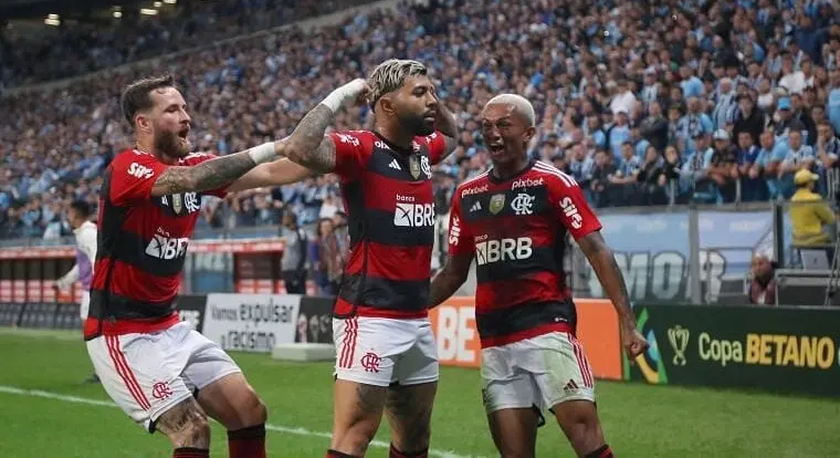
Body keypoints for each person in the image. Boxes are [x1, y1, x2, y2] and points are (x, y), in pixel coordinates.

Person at [84, 74, 312, 458]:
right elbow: (188, 179)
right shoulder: (127, 168)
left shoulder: (197, 165)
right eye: (172, 110)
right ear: (144, 123)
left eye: (185, 107)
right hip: (122, 334)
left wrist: (339, 155)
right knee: (192, 428)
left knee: (248, 411)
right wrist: (274, 145)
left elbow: (277, 172)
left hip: (169, 327)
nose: (186, 116)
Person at [429, 94, 648, 458]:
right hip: (495, 339)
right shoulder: (467, 194)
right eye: (486, 127)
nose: (493, 134)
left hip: (547, 328)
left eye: (503, 125)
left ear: (528, 133)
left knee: (585, 435)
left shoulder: (553, 183)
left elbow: (597, 250)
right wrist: (405, 306)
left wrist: (627, 321)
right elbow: (453, 272)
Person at [284, 59, 458, 458]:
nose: (432, 100)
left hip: (416, 319)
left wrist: (434, 100)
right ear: (386, 105)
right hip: (370, 317)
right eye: (420, 93)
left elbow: (453, 135)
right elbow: (299, 147)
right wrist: (342, 95)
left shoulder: (422, 150)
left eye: (432, 91)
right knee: (354, 437)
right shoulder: (360, 148)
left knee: (415, 440)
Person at [54, 199, 100, 383]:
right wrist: (63, 283)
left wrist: (100, 289)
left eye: (69, 212)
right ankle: (101, 370)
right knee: (91, 333)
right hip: (89, 290)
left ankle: (104, 371)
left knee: (93, 332)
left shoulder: (88, 233)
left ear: (75, 213)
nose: (67, 216)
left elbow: (98, 261)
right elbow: (82, 267)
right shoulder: (83, 233)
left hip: (94, 291)